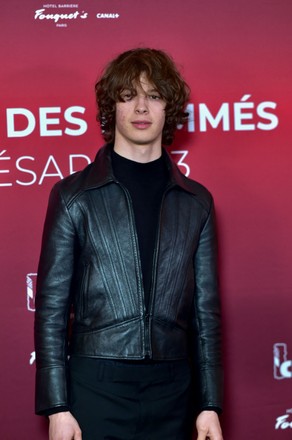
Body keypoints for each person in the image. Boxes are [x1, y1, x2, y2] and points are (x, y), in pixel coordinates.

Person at [34, 47, 224, 440]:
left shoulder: (197, 201)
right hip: (95, 385)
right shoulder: (74, 196)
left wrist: (210, 404)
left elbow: (206, 313)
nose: (141, 107)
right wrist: (57, 407)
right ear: (112, 108)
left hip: (175, 389)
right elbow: (52, 309)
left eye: (153, 96)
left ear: (168, 108)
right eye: (128, 96)